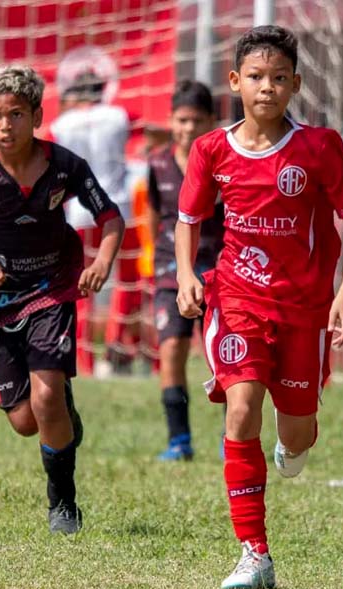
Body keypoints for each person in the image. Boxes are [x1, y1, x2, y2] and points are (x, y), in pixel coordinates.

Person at [175, 25, 343, 589]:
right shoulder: (210, 149)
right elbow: (188, 222)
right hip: (235, 297)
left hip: (305, 309)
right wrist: (188, 275)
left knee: (299, 433)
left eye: (279, 78)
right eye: (256, 77)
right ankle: (254, 553)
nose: (268, 88)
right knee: (240, 409)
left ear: (296, 85)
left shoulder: (319, 147)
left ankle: (293, 442)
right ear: (235, 82)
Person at [0, 65, 125, 534]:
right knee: (24, 420)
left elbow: (111, 217)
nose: (5, 125)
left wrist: (101, 264)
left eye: (16, 114)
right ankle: (58, 408)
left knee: (46, 396)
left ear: (36, 115)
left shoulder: (64, 166)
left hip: (52, 287)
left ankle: (64, 505)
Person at [147, 80, 225, 461]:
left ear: (211, 121)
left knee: (226, 354)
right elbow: (153, 213)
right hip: (169, 266)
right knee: (172, 349)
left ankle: (235, 436)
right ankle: (179, 440)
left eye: (196, 120)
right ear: (171, 121)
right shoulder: (157, 162)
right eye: (181, 120)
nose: (188, 128)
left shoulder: (226, 163)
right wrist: (154, 259)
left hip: (218, 267)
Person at [51, 70, 141, 375]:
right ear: (103, 90)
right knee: (128, 281)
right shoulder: (118, 115)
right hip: (119, 208)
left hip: (80, 211)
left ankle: (84, 360)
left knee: (82, 287)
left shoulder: (61, 124)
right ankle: (116, 345)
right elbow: (145, 129)